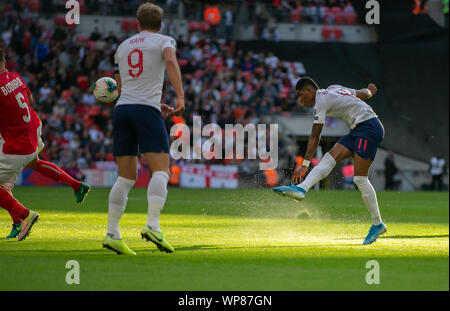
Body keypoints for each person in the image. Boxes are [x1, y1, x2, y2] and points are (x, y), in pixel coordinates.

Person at [103, 2, 184, 255]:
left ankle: (112, 233)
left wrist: (146, 101)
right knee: (161, 170)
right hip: (146, 111)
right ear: (161, 25)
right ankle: (153, 226)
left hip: (123, 110)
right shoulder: (164, 41)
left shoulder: (123, 46)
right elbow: (170, 61)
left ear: (137, 24)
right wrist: (180, 97)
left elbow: (118, 86)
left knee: (126, 177)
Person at [273, 77, 386, 245]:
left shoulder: (321, 101)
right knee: (329, 158)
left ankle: (378, 224)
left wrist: (304, 165)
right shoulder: (334, 87)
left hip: (369, 128)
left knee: (360, 179)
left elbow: (315, 136)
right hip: (359, 128)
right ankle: (301, 189)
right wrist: (370, 90)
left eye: (300, 94)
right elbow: (362, 94)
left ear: (310, 91)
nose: (299, 99)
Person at [0, 48, 91, 241]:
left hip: (17, 141)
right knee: (34, 163)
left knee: (2, 186)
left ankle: (24, 217)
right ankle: (75, 185)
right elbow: (30, 100)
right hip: (32, 127)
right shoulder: (16, 77)